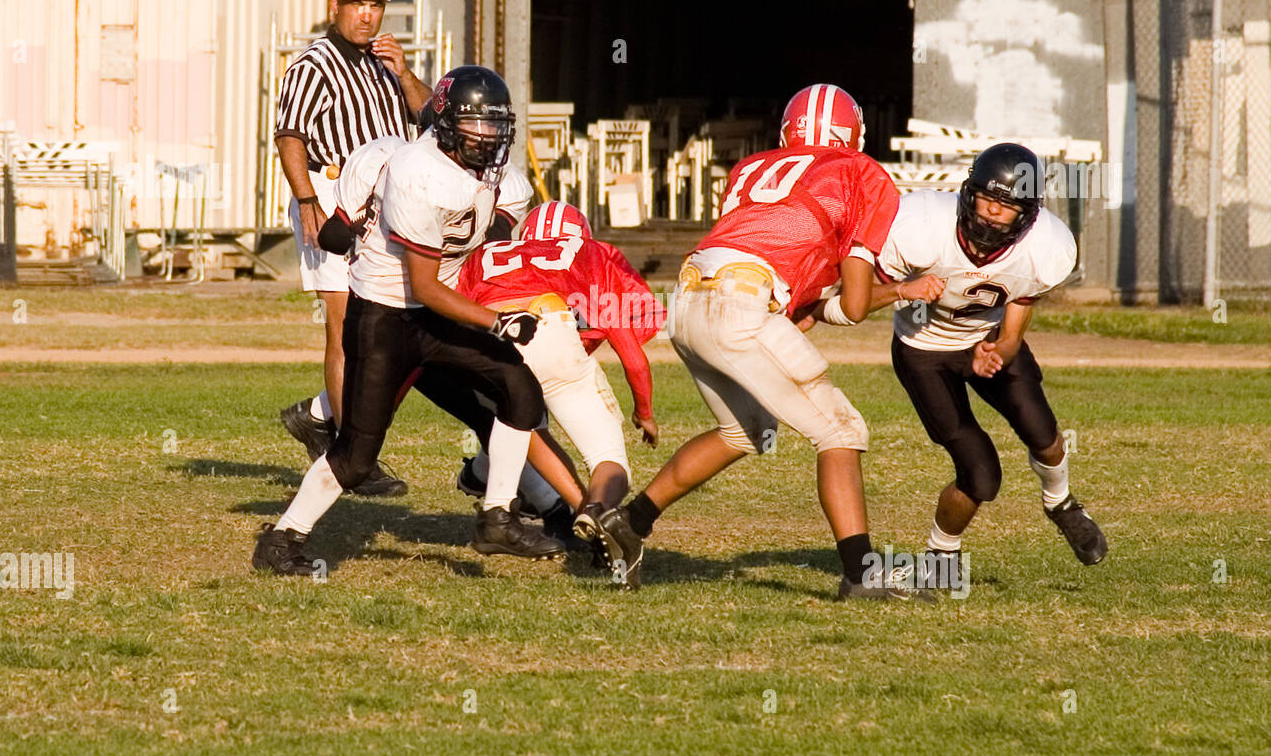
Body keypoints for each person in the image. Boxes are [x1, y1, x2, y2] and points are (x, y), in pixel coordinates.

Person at [619, 84, 931, 599]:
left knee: (745, 430)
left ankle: (630, 523)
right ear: (854, 134)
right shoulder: (860, 172)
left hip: (690, 297)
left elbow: (787, 275)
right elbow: (854, 305)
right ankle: (862, 575)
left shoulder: (752, 168)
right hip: (739, 305)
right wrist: (904, 289)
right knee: (841, 430)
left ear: (789, 133)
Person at [253, 66, 565, 575]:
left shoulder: (493, 174)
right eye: (474, 127)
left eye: (493, 127)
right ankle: (282, 539)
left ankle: (497, 518)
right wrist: (496, 322)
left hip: (435, 315)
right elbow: (423, 286)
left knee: (519, 389)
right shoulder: (414, 172)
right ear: (443, 124)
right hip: (385, 319)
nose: (486, 140)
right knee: (355, 457)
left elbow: (483, 244)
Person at [865, 142, 1107, 582]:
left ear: (1028, 214)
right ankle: (940, 559)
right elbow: (860, 297)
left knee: (1045, 436)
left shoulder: (1044, 246)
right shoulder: (921, 223)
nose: (993, 213)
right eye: (988, 198)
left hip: (985, 336)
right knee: (980, 474)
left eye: (1008, 205)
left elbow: (1015, 323)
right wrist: (904, 290)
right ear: (968, 191)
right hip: (923, 351)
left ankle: (1060, 501)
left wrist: (1003, 347)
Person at [272, 0, 431, 497]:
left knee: (387, 327)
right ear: (335, 7)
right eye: (357, 4)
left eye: (375, 5)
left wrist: (406, 71)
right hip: (334, 196)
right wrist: (307, 200)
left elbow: (433, 115)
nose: (367, 15)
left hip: (386, 204)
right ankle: (351, 450)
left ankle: (318, 416)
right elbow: (289, 136)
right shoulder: (313, 64)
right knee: (344, 326)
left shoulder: (385, 62)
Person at [455, 200, 664, 569]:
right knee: (608, 459)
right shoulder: (587, 253)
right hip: (548, 331)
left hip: (485, 346)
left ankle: (504, 482)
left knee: (526, 430)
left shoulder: (486, 252)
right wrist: (644, 412)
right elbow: (630, 351)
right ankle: (596, 510)